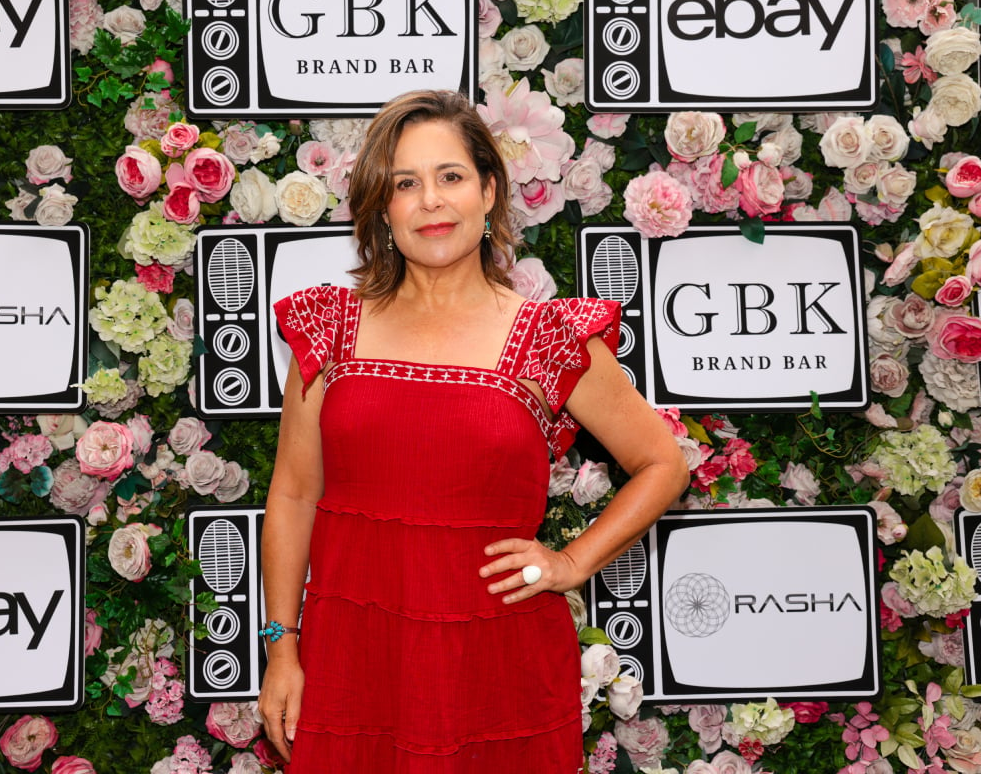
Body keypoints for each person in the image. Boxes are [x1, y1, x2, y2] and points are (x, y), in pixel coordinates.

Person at [259, 89, 689, 772]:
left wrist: (572, 564)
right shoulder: (330, 328)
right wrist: (281, 647)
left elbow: (664, 463)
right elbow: (291, 494)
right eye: (405, 183)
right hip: (352, 666)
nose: (431, 200)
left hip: (498, 671)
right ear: (381, 207)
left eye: (451, 177)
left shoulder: (547, 337)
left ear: (488, 192)